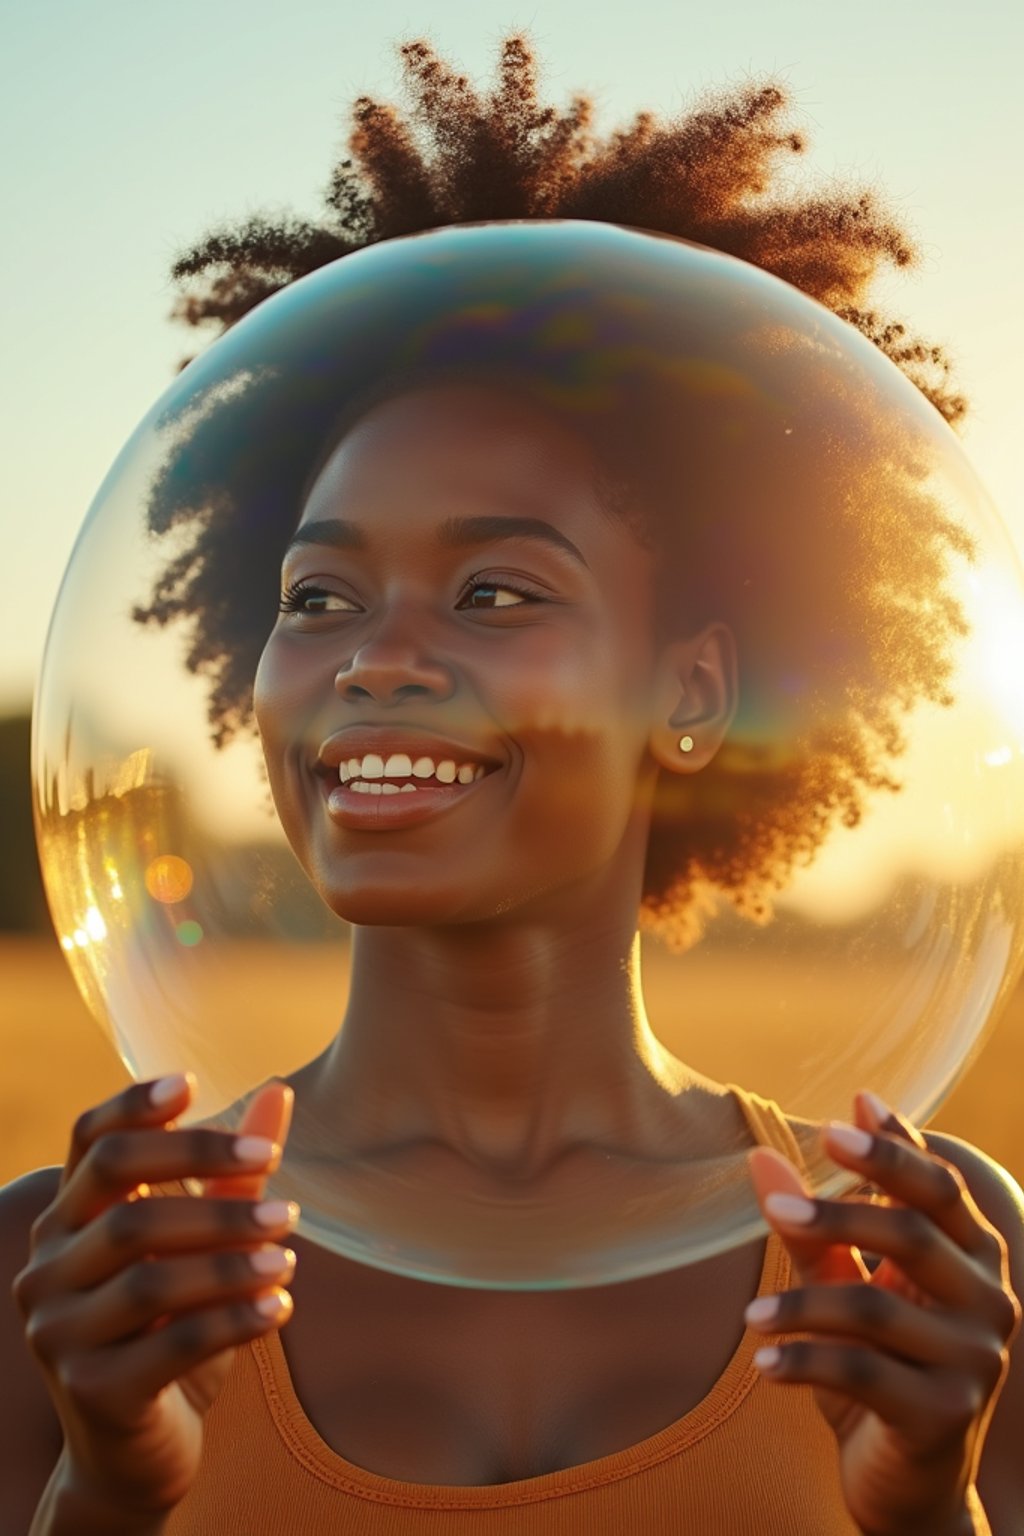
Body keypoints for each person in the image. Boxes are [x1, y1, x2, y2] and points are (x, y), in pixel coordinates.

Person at [2, 38, 1021, 1536]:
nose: (374, 661)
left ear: (690, 689)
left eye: (492, 595)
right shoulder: (83, 1268)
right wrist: (105, 1490)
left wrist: (929, 1511)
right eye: (319, 595)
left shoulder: (914, 1262)